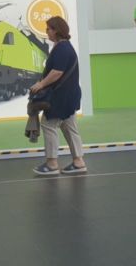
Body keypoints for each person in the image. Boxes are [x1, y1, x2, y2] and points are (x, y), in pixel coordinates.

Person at [29, 16, 86, 176]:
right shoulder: (66, 47)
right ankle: (78, 161)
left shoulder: (61, 49)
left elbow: (57, 72)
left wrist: (40, 85)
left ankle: (52, 163)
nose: (47, 31)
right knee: (70, 127)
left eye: (49, 29)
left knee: (48, 125)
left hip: (60, 97)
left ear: (56, 30)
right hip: (70, 95)